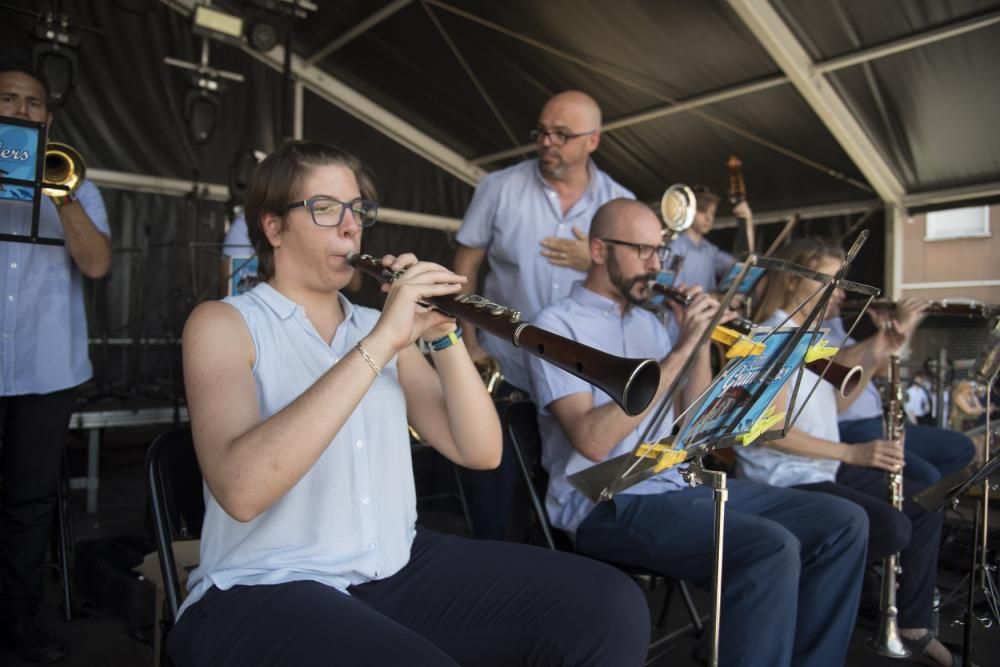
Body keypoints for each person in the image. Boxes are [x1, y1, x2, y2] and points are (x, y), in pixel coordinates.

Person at [168, 141, 650, 667]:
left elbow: (480, 450)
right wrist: (385, 338)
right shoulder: (225, 323)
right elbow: (242, 490)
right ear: (273, 227)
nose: (351, 227)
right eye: (325, 209)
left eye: (357, 210)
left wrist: (442, 335)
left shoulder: (377, 328)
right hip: (265, 582)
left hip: (393, 566)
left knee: (609, 604)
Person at [528, 199, 869, 667]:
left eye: (659, 253)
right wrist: (683, 346)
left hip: (675, 483)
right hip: (606, 501)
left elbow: (694, 426)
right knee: (770, 548)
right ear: (600, 250)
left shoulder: (652, 322)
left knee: (844, 523)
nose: (655, 266)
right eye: (643, 252)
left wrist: (702, 340)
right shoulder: (557, 325)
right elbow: (592, 440)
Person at [737, 238, 957, 667]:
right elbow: (768, 431)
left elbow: (834, 404)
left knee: (925, 506)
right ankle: (816, 586)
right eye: (829, 279)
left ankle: (910, 623)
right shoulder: (769, 337)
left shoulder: (812, 339)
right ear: (792, 278)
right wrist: (852, 453)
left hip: (822, 467)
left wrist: (881, 351)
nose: (840, 289)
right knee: (890, 528)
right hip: (784, 478)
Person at [453, 90, 633, 539]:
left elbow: (634, 285)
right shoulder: (498, 188)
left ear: (593, 140)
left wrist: (593, 258)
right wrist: (469, 346)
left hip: (581, 381)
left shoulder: (619, 204)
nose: (547, 142)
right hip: (506, 370)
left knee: (573, 507)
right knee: (496, 504)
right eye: (542, 131)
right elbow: (465, 269)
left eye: (562, 135)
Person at [0, 62, 111, 663]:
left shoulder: (78, 185)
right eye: (8, 99)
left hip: (47, 371)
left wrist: (61, 198)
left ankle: (17, 618)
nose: (21, 111)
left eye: (33, 103)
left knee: (30, 500)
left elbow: (96, 265)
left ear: (49, 116)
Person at [823, 295, 975, 484]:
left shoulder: (836, 326)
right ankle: (915, 503)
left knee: (962, 448)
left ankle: (919, 501)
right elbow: (838, 367)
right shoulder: (810, 329)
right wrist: (891, 331)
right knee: (926, 477)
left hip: (877, 421)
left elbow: (881, 368)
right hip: (849, 427)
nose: (841, 293)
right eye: (832, 282)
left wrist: (896, 328)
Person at [668, 185, 746, 293]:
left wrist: (747, 221)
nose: (709, 218)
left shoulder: (709, 250)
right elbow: (671, 291)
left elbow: (741, 266)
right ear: (688, 210)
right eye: (702, 210)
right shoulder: (675, 247)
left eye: (712, 213)